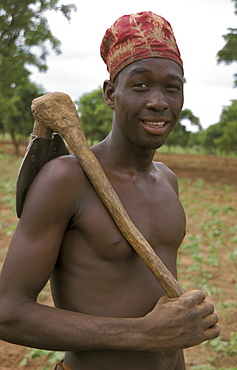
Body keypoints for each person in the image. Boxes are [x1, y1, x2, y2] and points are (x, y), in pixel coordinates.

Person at [0, 11, 219, 370]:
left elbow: (168, 324)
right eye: (140, 85)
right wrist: (143, 334)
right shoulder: (66, 180)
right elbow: (8, 312)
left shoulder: (167, 180)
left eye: (171, 87)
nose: (158, 102)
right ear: (110, 94)